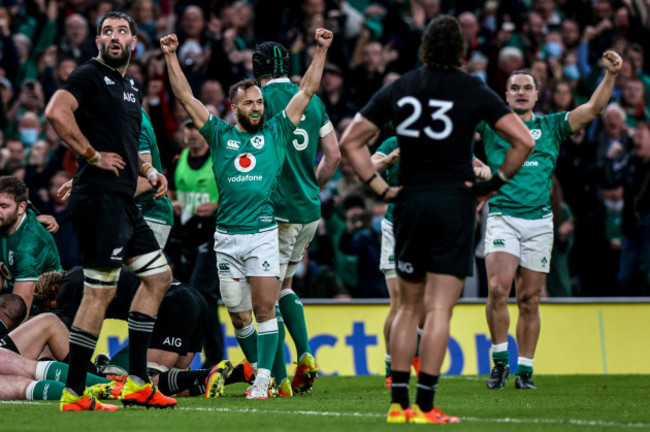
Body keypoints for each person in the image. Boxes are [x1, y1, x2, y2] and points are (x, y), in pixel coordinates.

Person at [339, 15, 534, 424]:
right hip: (453, 205)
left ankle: (397, 405)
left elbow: (350, 142)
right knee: (439, 310)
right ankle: (425, 405)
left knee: (407, 308)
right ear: (461, 50)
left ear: (425, 47)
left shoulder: (402, 87)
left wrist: (380, 188)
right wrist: (493, 183)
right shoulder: (472, 89)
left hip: (409, 203)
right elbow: (524, 140)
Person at [161, 27, 333, 399]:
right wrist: (171, 57)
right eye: (249, 103)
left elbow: (306, 91)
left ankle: (263, 380)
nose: (257, 107)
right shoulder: (219, 135)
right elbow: (184, 96)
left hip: (262, 233)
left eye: (259, 102)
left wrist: (320, 49)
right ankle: (265, 373)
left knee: (264, 308)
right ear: (234, 107)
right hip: (226, 238)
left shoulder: (276, 132)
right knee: (239, 316)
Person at [44, 11, 175, 411]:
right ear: (98, 41)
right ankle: (76, 392)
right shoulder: (88, 75)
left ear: (134, 42)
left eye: (122, 31)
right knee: (100, 293)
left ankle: (137, 382)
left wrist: (150, 170)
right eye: (107, 32)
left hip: (124, 202)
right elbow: (55, 111)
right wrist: (89, 156)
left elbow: (129, 145)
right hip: (101, 201)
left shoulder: (131, 87)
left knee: (159, 278)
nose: (114, 37)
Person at [478, 51, 622, 390]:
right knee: (498, 289)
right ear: (507, 94)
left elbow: (594, 109)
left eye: (528, 87)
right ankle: (500, 362)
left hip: (540, 222)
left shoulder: (551, 126)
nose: (521, 91)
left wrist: (611, 75)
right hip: (502, 217)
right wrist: (476, 167)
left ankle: (524, 370)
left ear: (537, 94)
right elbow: (452, 137)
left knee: (529, 299)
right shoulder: (490, 125)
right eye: (515, 87)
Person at [252, 40, 341, 394]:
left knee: (263, 298)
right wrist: (312, 187)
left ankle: (278, 378)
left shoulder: (258, 102)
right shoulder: (314, 101)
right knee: (285, 287)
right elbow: (333, 156)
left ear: (258, 71)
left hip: (275, 213)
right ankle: (304, 352)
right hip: (308, 211)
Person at [166, 119, 223, 368]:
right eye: (186, 128)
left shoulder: (219, 160)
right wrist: (172, 203)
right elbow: (169, 191)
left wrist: (216, 207)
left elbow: (235, 192)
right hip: (185, 236)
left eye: (196, 129)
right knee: (188, 295)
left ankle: (213, 358)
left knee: (203, 293)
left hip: (212, 234)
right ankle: (187, 356)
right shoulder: (178, 161)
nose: (191, 134)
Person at [0, 176, 62, 313]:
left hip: (44, 315)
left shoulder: (31, 245)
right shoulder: (6, 223)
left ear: (21, 207)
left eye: (3, 206)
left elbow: (18, 310)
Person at [135, 108, 174, 249]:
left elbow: (146, 182)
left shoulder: (136, 124)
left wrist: (98, 190)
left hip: (148, 212)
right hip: (134, 212)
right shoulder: (131, 112)